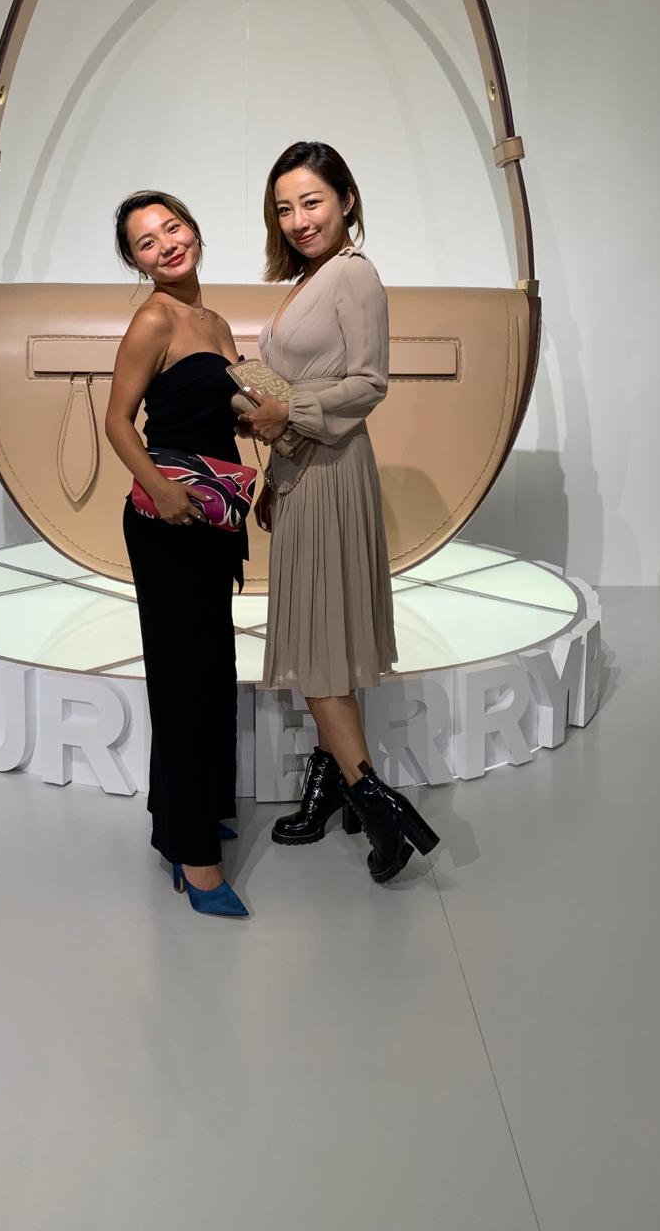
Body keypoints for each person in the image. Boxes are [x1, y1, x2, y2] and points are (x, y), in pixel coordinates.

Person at [240, 141, 440, 883]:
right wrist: (273, 462)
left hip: (331, 471)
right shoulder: (309, 280)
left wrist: (285, 411)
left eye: (311, 201)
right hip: (303, 468)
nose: (298, 219)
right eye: (284, 208)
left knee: (319, 646)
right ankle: (331, 788)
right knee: (324, 636)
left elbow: (368, 383)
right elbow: (302, 387)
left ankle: (380, 806)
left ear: (346, 200)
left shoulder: (353, 273)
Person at [105, 191, 249, 919]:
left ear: (193, 229)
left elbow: (223, 418)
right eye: (145, 242)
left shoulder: (215, 323)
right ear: (137, 263)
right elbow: (117, 421)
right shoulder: (154, 319)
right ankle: (194, 859)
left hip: (213, 514)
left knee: (211, 669)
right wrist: (161, 491)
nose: (165, 244)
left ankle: (189, 814)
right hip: (168, 519)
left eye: (172, 227)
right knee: (183, 680)